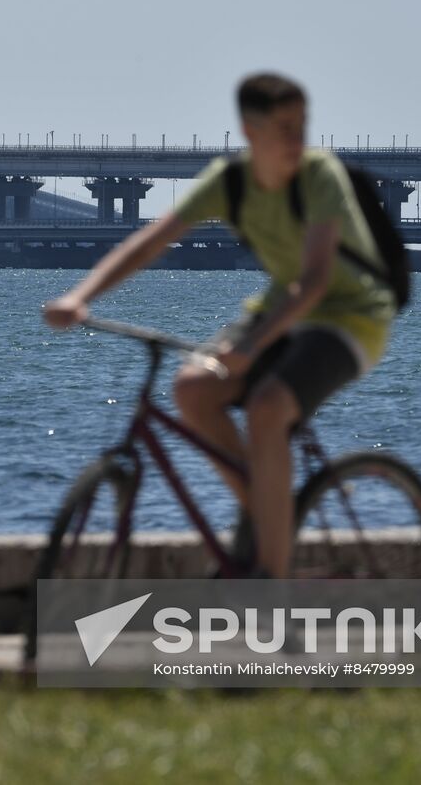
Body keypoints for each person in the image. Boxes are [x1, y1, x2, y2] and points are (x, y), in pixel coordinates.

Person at [42, 72, 397, 578]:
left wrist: (252, 346)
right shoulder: (230, 183)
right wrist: (79, 297)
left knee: (269, 406)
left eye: (302, 125)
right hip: (280, 309)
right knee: (190, 389)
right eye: (284, 128)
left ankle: (271, 579)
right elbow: (150, 241)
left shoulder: (320, 176)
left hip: (351, 316)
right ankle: (268, 508)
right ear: (250, 132)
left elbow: (316, 280)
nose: (298, 139)